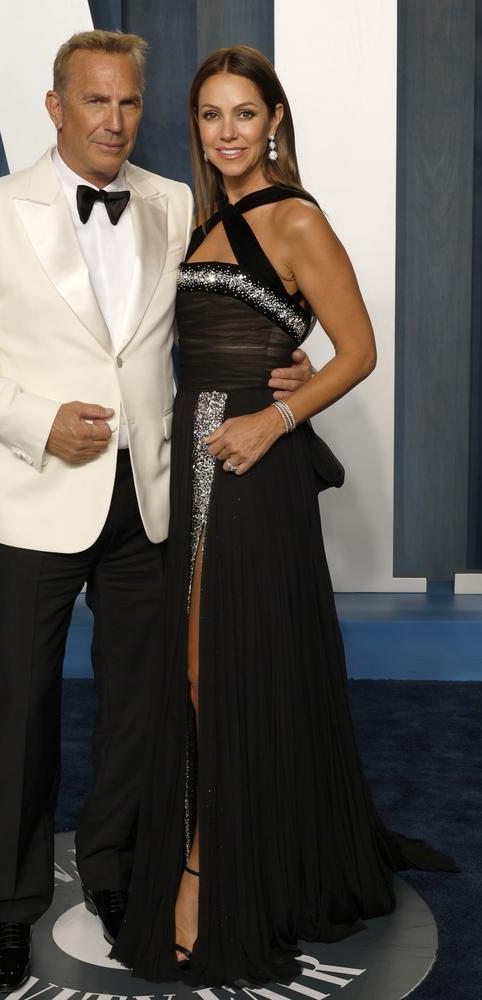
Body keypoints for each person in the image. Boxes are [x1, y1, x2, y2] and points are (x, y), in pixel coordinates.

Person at [0, 31, 312, 992]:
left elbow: (230, 309)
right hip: (38, 498)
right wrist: (41, 420)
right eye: (96, 102)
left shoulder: (174, 202)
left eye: (130, 103)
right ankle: (11, 909)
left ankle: (116, 876)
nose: (114, 121)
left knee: (140, 706)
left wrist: (288, 369)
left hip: (150, 499)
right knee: (27, 708)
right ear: (56, 106)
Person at [110, 45, 458, 988]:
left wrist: (276, 415)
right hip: (196, 459)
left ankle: (209, 869)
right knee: (198, 666)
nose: (228, 133)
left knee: (218, 662)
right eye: (212, 117)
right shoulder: (205, 215)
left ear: (276, 121)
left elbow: (360, 349)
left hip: (251, 469)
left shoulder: (296, 216)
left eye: (245, 115)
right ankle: (219, 845)